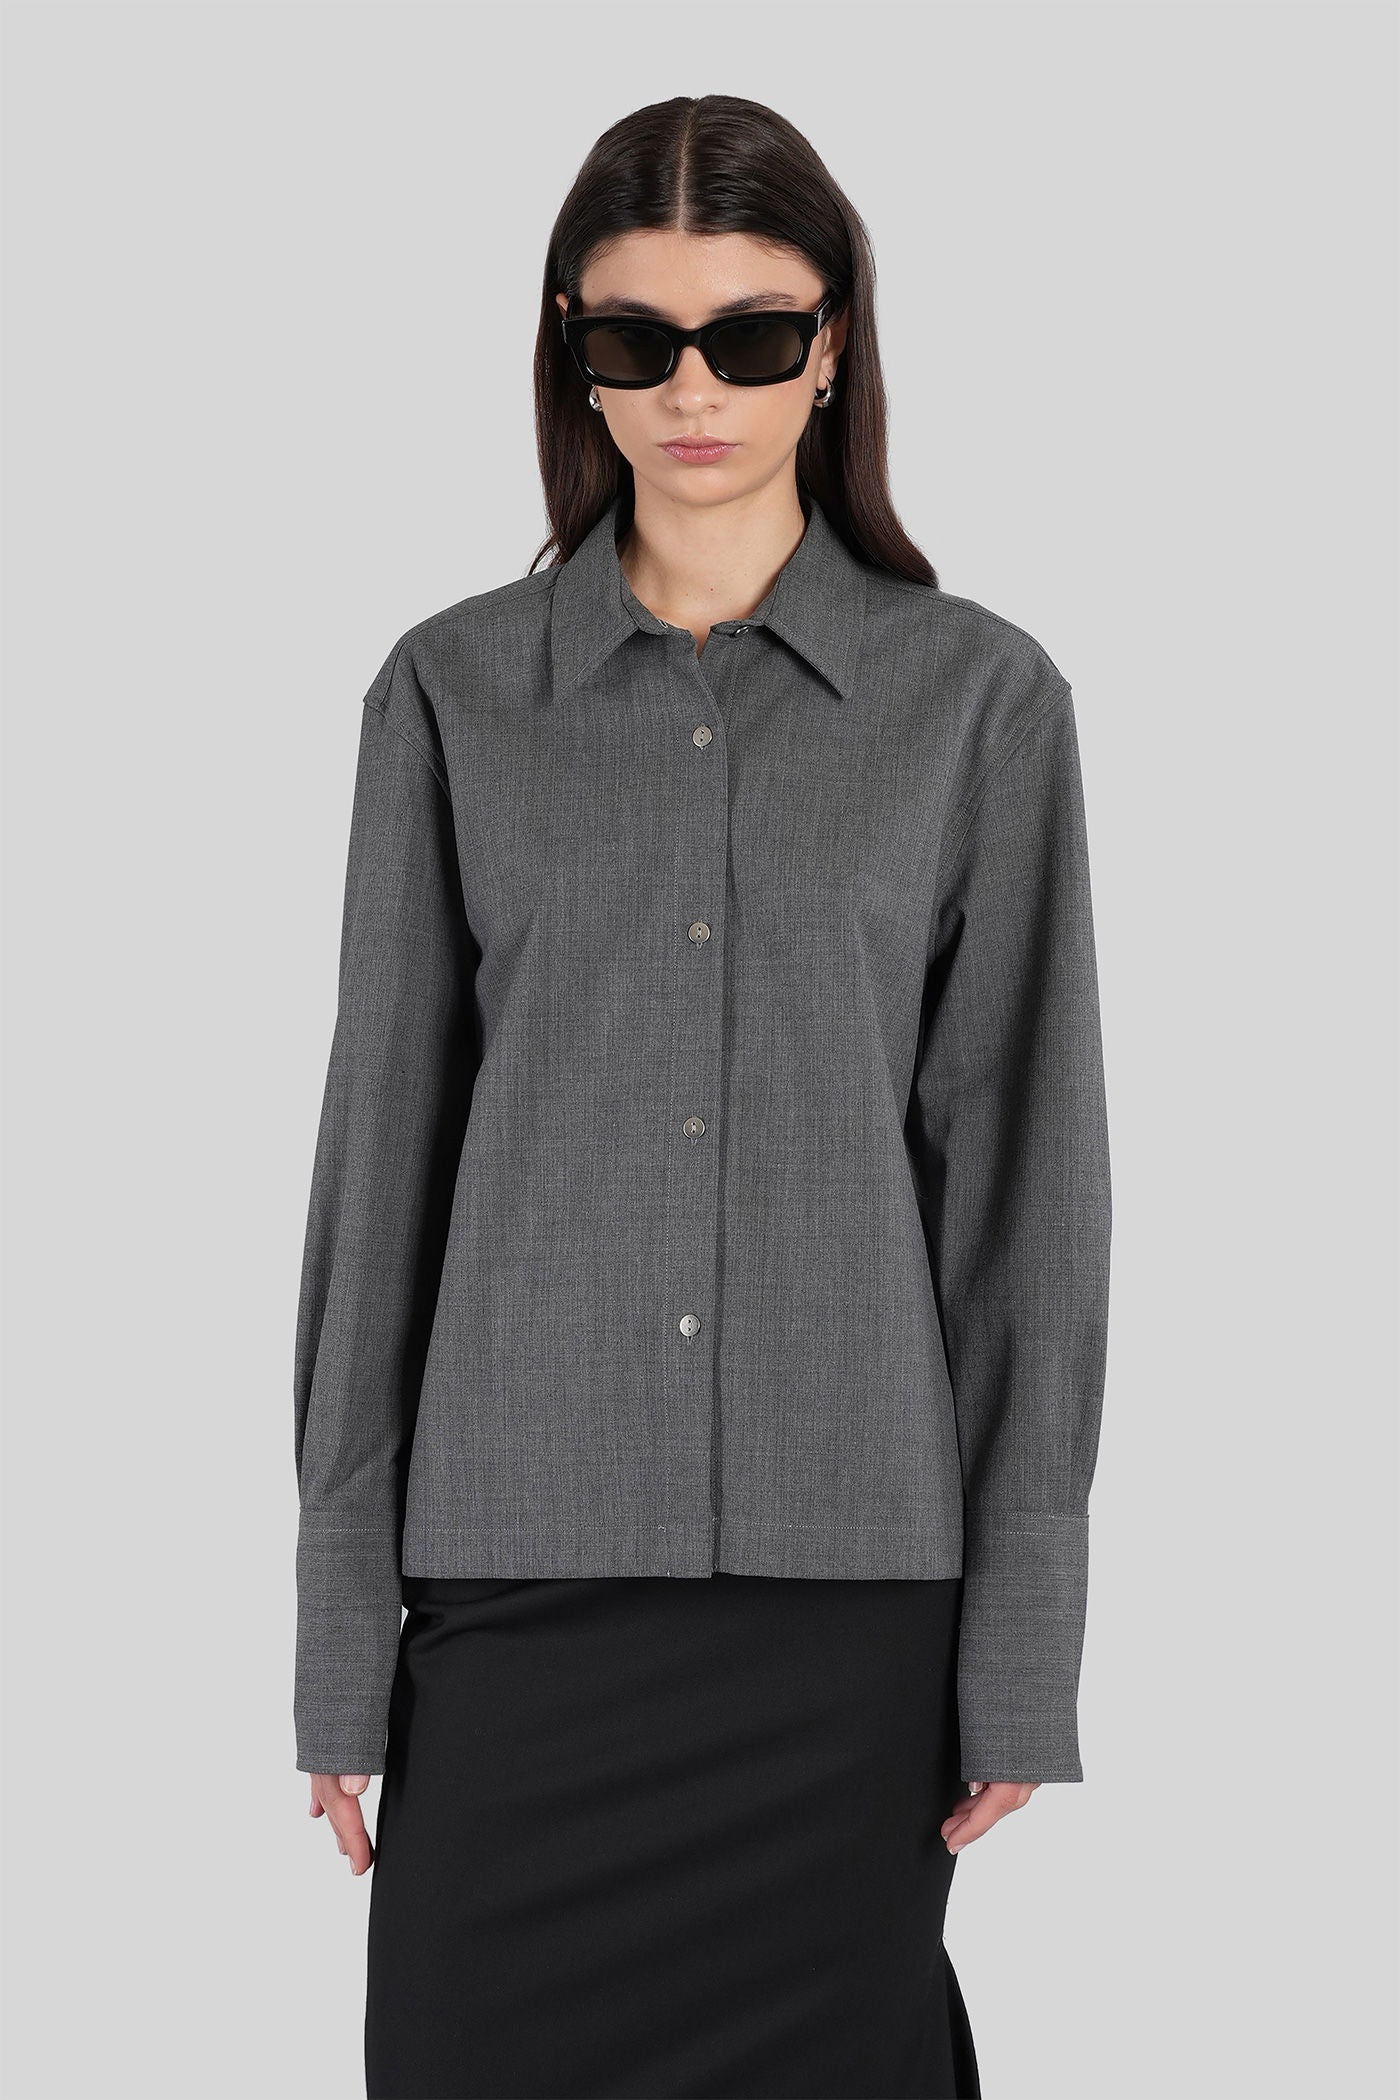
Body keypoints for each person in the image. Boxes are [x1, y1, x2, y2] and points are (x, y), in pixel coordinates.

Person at [291, 92, 1112, 2100]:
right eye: (634, 337)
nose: (693, 390)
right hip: (515, 1586)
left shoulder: (980, 703)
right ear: (570, 348)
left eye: (749, 335)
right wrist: (335, 1627)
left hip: (848, 1610)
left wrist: (1022, 1642)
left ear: (832, 348)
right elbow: (379, 1170)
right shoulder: (447, 694)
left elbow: (1024, 1197)